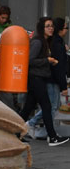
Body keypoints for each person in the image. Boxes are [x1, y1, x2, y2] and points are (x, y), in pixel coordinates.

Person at [21, 16, 68, 146]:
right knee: (47, 106)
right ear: (42, 28)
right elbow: (29, 60)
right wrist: (47, 61)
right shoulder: (38, 42)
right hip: (36, 78)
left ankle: (14, 133)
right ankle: (52, 137)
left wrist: (49, 62)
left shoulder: (46, 42)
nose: (51, 28)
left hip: (38, 77)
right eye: (48, 26)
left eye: (52, 26)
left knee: (27, 109)